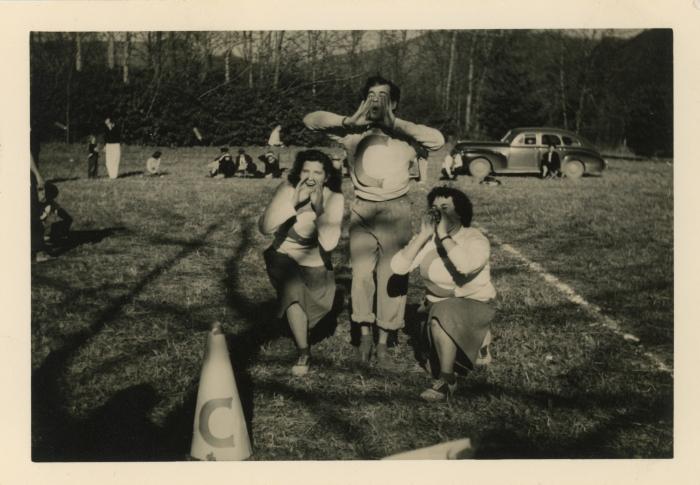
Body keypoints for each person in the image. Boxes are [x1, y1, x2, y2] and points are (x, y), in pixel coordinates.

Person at [304, 75, 445, 367]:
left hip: (396, 211)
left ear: (393, 102)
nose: (376, 101)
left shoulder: (407, 136)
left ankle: (384, 341)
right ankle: (364, 335)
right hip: (363, 212)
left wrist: (395, 122)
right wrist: (349, 119)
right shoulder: (351, 134)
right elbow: (310, 120)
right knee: (362, 276)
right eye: (371, 95)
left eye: (383, 96)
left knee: (393, 275)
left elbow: (438, 140)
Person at [391, 186, 496, 401]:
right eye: (434, 208)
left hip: (472, 303)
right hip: (435, 306)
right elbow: (398, 268)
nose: (437, 212)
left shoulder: (475, 239)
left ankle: (447, 380)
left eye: (445, 207)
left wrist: (444, 235)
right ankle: (475, 343)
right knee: (428, 358)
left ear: (460, 212)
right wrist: (423, 236)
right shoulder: (429, 239)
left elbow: (465, 266)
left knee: (441, 315)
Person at [258, 149, 344, 376]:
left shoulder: (334, 197)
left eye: (317, 172)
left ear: (326, 177)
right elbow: (264, 228)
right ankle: (304, 352)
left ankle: (294, 324)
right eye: (306, 170)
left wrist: (319, 209)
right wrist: (293, 204)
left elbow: (329, 243)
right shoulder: (287, 189)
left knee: (317, 312)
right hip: (281, 254)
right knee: (293, 292)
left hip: (315, 260)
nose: (311, 176)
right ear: (299, 172)